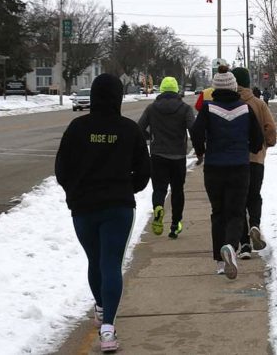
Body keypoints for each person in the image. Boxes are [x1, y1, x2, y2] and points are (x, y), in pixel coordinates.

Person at [55, 74, 151, 354]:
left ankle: (100, 306)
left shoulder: (77, 128)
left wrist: (75, 191)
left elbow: (62, 169)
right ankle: (108, 327)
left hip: (83, 208)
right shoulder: (129, 130)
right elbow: (144, 173)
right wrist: (126, 187)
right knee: (110, 263)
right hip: (118, 207)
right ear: (119, 97)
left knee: (94, 261)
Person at [191, 69, 264, 279]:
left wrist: (201, 150)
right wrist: (249, 147)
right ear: (234, 87)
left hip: (214, 167)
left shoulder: (208, 108)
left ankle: (220, 262)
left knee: (218, 213)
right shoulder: (245, 108)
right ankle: (231, 246)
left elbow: (196, 132)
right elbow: (257, 139)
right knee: (236, 212)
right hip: (239, 167)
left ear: (215, 88)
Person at [137, 76, 195, 239]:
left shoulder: (151, 108)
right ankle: (175, 224)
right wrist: (200, 150)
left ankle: (158, 207)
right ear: (176, 90)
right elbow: (193, 129)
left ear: (161, 90)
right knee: (177, 190)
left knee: (159, 188)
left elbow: (139, 128)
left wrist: (151, 137)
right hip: (178, 155)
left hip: (157, 155)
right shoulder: (185, 108)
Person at [231, 67, 277, 259]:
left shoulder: (230, 104)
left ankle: (244, 245)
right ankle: (255, 224)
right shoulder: (259, 104)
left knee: (238, 201)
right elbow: (271, 127)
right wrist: (268, 143)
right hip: (256, 159)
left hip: (235, 160)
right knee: (254, 195)